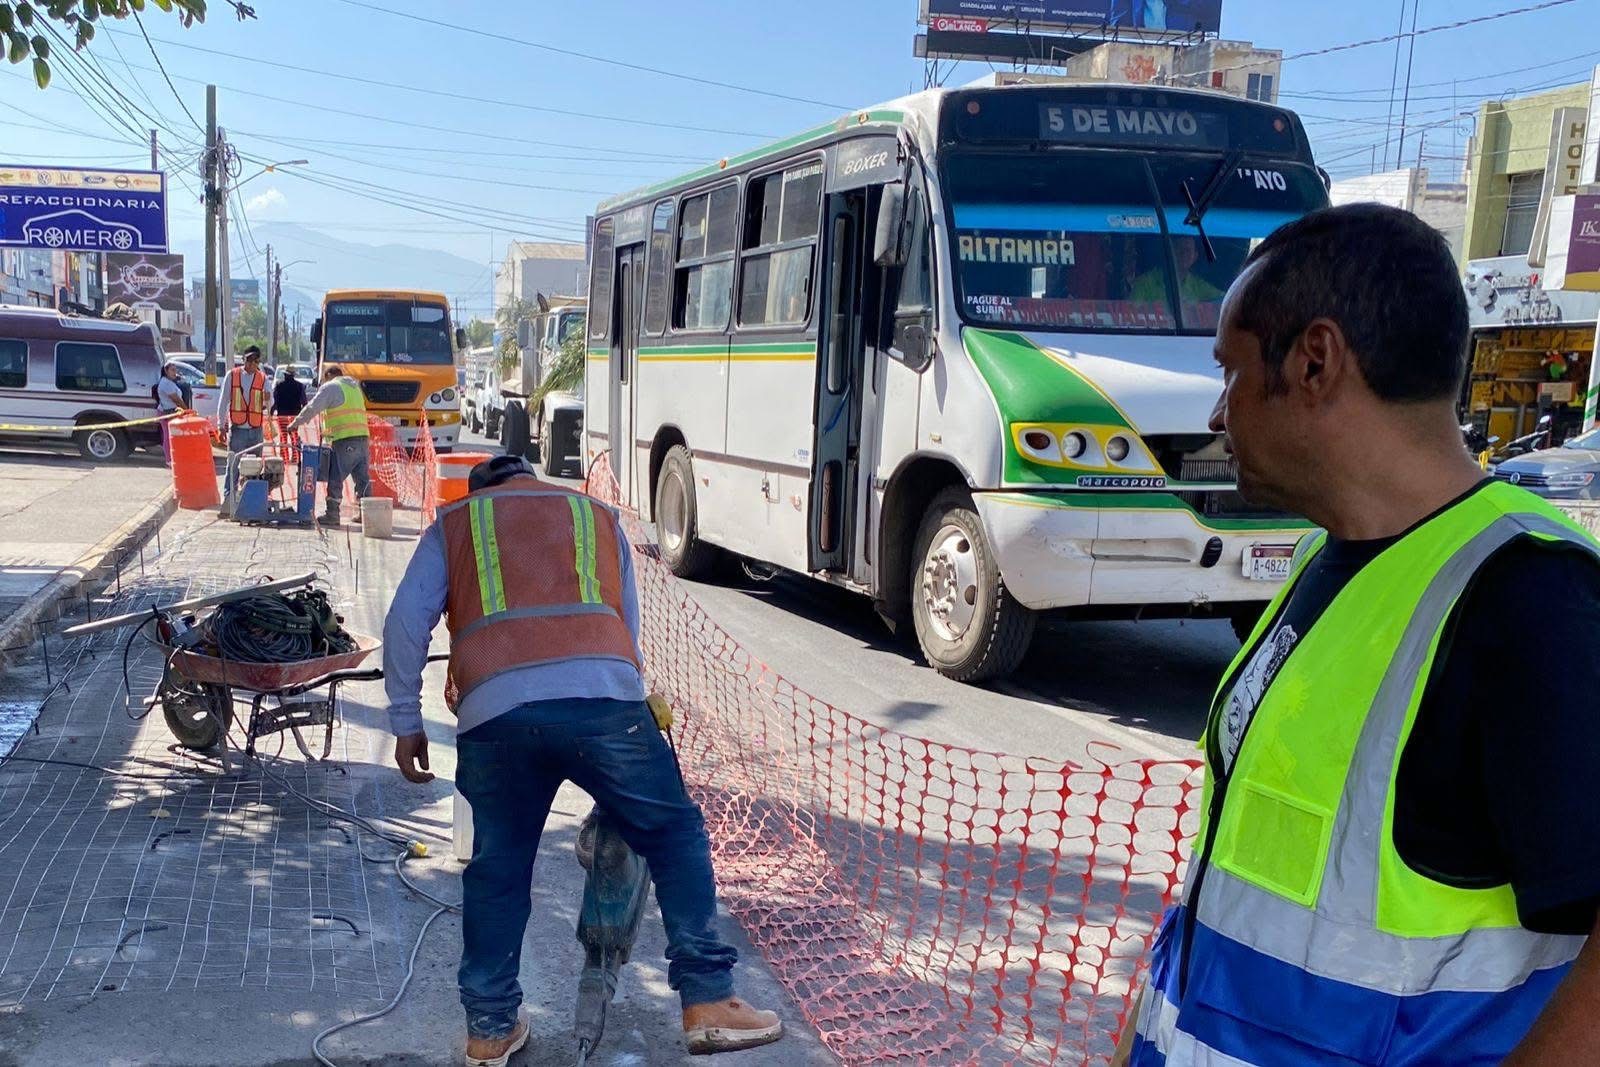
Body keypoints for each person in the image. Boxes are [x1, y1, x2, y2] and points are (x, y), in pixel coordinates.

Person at [1118, 203, 1600, 1066]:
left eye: (1229, 372)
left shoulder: (1531, 600)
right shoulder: (1327, 562)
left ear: (1314, 362)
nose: (1220, 416)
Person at [381, 455, 784, 1066]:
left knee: (497, 868)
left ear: (481, 490)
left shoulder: (456, 522)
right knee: (673, 831)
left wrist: (406, 722)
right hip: (605, 701)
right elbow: (628, 621)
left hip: (495, 713)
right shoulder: (593, 514)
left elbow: (405, 623)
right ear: (530, 479)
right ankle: (708, 1000)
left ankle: (489, 1029)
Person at [285, 364, 371, 526]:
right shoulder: (354, 387)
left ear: (329, 375)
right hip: (363, 439)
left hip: (345, 439)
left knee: (336, 476)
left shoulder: (332, 387)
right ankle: (367, 515)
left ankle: (332, 514)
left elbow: (312, 407)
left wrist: (295, 424)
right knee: (362, 479)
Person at [217, 346, 268, 513]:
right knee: (233, 464)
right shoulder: (232, 376)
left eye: (255, 361)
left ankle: (252, 499)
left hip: (255, 429)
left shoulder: (262, 378)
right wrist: (221, 425)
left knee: (255, 466)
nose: (252, 364)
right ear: (244, 360)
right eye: (249, 360)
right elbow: (223, 401)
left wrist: (269, 399)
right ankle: (229, 499)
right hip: (238, 428)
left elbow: (269, 402)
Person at [271, 364, 308, 462]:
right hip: (295, 416)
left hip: (282, 415)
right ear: (293, 375)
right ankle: (295, 458)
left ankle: (284, 458)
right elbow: (304, 402)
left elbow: (274, 401)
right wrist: (305, 415)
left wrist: (271, 413)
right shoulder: (300, 386)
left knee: (283, 436)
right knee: (294, 436)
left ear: (285, 375)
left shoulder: (279, 385)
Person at [154, 361, 187, 466]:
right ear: (166, 371)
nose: (174, 372)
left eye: (175, 370)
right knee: (168, 437)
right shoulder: (165, 384)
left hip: (174, 413)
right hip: (167, 413)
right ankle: (169, 460)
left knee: (174, 437)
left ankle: (174, 457)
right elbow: (176, 400)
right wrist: (186, 411)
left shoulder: (170, 382)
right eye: (172, 370)